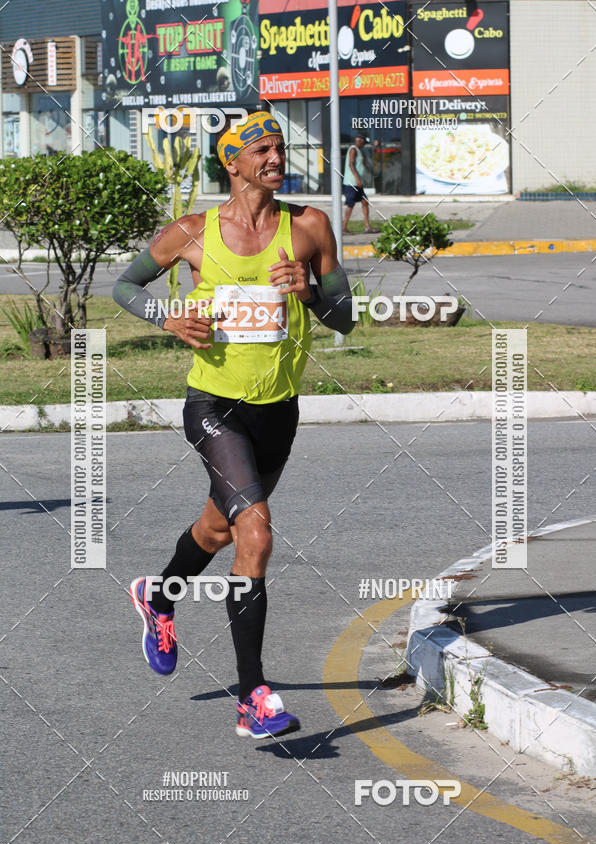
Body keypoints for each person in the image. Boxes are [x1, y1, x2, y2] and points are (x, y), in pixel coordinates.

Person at [113, 110, 355, 739]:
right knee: (257, 530)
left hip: (278, 410)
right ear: (234, 162)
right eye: (263, 151)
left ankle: (158, 595)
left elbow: (347, 318)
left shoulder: (309, 226)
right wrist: (166, 319)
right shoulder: (193, 233)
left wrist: (309, 291)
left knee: (219, 528)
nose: (276, 158)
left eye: (280, 149)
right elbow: (126, 284)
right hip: (213, 406)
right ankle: (254, 697)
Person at [342, 133, 376, 234]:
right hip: (352, 183)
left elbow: (361, 164)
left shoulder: (359, 151)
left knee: (365, 202)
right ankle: (344, 228)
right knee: (350, 204)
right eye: (364, 143)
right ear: (360, 141)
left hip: (357, 183)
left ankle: (367, 227)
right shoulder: (353, 150)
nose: (364, 145)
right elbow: (351, 164)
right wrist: (357, 178)